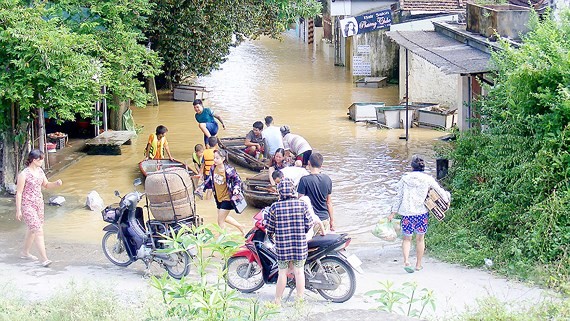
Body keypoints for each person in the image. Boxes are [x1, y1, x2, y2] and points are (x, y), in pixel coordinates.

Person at [388, 155, 450, 273]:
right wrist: (447, 199)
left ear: (412, 167)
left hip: (407, 213)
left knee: (407, 239)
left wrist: (393, 212)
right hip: (421, 213)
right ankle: (418, 265)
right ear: (423, 167)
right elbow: (440, 192)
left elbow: (399, 197)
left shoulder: (404, 179)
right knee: (420, 239)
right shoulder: (428, 179)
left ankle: (406, 261)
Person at [265, 178, 314, 305]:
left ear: (280, 191)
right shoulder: (301, 204)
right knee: (299, 272)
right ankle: (299, 301)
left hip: (283, 247)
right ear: (293, 190)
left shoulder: (275, 207)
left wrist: (271, 237)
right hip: (299, 245)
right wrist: (300, 231)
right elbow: (309, 223)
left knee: (282, 273)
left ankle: (277, 301)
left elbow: (269, 228)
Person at [15, 149, 63, 267]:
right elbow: (19, 193)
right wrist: (19, 210)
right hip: (28, 205)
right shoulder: (23, 174)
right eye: (40, 159)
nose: (42, 161)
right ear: (33, 160)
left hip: (39, 204)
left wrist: (56, 184)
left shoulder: (40, 172)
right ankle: (44, 259)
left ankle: (25, 252)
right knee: (38, 230)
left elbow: (46, 185)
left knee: (33, 229)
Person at [204, 149, 246, 235]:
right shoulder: (213, 168)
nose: (214, 160)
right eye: (214, 158)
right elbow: (209, 180)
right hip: (218, 197)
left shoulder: (229, 170)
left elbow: (237, 180)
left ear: (223, 159)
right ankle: (240, 226)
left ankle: (222, 242)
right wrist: (202, 188)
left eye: (217, 158)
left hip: (227, 197)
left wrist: (236, 188)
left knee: (220, 221)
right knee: (224, 217)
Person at [297, 153, 334, 234]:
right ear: (321, 165)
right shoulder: (327, 179)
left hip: (310, 220)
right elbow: (329, 203)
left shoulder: (304, 180)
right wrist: (332, 221)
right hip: (324, 219)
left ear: (309, 163)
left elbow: (300, 202)